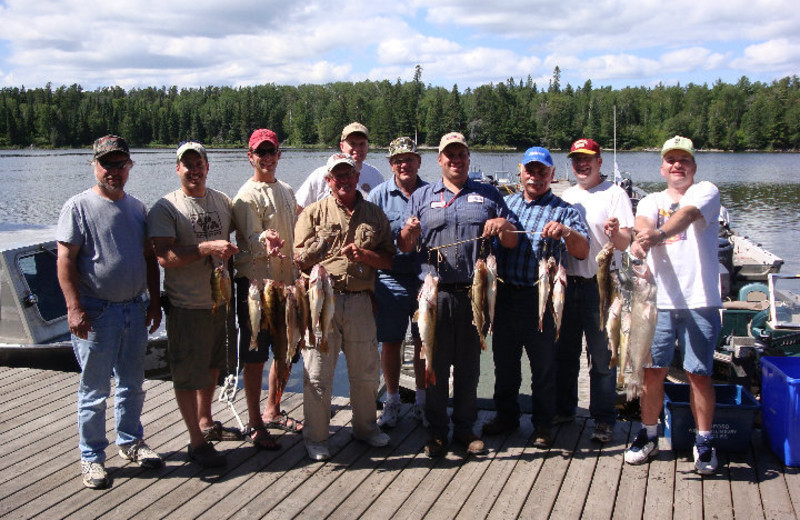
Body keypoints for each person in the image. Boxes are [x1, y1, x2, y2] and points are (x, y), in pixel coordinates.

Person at [397, 132, 519, 458]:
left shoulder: (489, 193)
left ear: (468, 157)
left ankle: (465, 428)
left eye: (461, 154)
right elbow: (406, 246)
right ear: (439, 160)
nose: (456, 159)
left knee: (469, 366)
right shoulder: (422, 196)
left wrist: (501, 224)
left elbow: (511, 241)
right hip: (433, 297)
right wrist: (408, 232)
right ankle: (437, 431)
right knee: (432, 362)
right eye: (449, 155)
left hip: (473, 293)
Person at [57, 135, 163, 490]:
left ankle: (130, 441)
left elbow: (150, 258)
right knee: (94, 389)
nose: (114, 171)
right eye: (107, 164)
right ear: (94, 165)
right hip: (97, 313)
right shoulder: (77, 207)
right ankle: (91, 457)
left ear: (129, 166)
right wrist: (74, 308)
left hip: (135, 308)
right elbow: (65, 261)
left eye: (121, 164)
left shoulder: (136, 207)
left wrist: (154, 300)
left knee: (133, 384)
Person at [624, 136, 722, 475]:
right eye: (671, 160)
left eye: (684, 160)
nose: (677, 165)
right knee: (652, 373)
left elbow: (687, 216)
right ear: (662, 166)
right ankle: (649, 434)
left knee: (699, 375)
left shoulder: (706, 191)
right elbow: (643, 223)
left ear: (693, 166)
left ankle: (705, 441)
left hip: (701, 301)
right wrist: (641, 238)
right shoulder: (651, 199)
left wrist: (659, 236)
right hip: (658, 303)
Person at [480, 146, 589, 449]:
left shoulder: (564, 210)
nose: (535, 176)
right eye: (530, 170)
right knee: (505, 364)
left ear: (552, 175)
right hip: (504, 297)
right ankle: (507, 416)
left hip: (539, 297)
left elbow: (582, 250)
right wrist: (499, 226)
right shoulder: (505, 203)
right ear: (521, 172)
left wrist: (566, 232)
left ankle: (543, 424)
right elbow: (508, 241)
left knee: (544, 366)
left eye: (542, 171)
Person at [294, 152, 396, 461]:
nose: (345, 180)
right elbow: (299, 259)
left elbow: (389, 260)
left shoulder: (375, 214)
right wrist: (321, 246)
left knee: (366, 371)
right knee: (317, 371)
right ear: (328, 181)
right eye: (338, 176)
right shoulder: (312, 213)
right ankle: (316, 437)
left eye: (349, 174)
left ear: (357, 176)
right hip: (321, 300)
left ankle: (365, 428)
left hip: (361, 301)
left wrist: (365, 256)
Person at [148, 141, 239, 468]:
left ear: (207, 166)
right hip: (186, 307)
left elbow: (244, 231)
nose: (194, 170)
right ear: (177, 169)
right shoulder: (166, 208)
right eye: (187, 165)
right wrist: (206, 248)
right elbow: (164, 258)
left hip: (220, 303)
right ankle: (195, 442)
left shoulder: (222, 201)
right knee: (187, 374)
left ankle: (206, 421)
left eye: (199, 163)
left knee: (214, 365)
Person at [555, 138, 634, 443]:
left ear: (599, 161)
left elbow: (626, 243)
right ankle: (564, 410)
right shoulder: (567, 195)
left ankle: (603, 419)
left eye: (587, 159)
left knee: (602, 358)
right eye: (576, 160)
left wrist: (616, 234)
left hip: (602, 288)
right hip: (567, 285)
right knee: (565, 354)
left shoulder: (615, 194)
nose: (581, 164)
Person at [232, 129, 301, 450]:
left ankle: (272, 409)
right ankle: (255, 421)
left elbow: (299, 225)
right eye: (260, 153)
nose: (267, 158)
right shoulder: (246, 195)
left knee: (286, 351)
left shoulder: (287, 190)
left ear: (279, 155)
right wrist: (266, 240)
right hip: (257, 288)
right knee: (255, 354)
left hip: (288, 286)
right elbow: (251, 237)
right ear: (250, 157)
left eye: (271, 152)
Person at [367, 137, 428, 429]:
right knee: (391, 342)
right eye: (398, 160)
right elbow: (367, 241)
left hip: (424, 280)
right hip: (388, 279)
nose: (404, 165)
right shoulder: (377, 196)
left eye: (410, 159)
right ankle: (391, 399)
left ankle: (422, 400)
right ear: (391, 164)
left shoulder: (431, 193)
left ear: (419, 161)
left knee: (423, 342)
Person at [295, 122, 384, 208]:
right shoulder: (319, 175)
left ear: (367, 146)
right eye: (352, 143)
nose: (357, 149)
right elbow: (297, 208)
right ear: (342, 146)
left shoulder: (375, 176)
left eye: (362, 144)